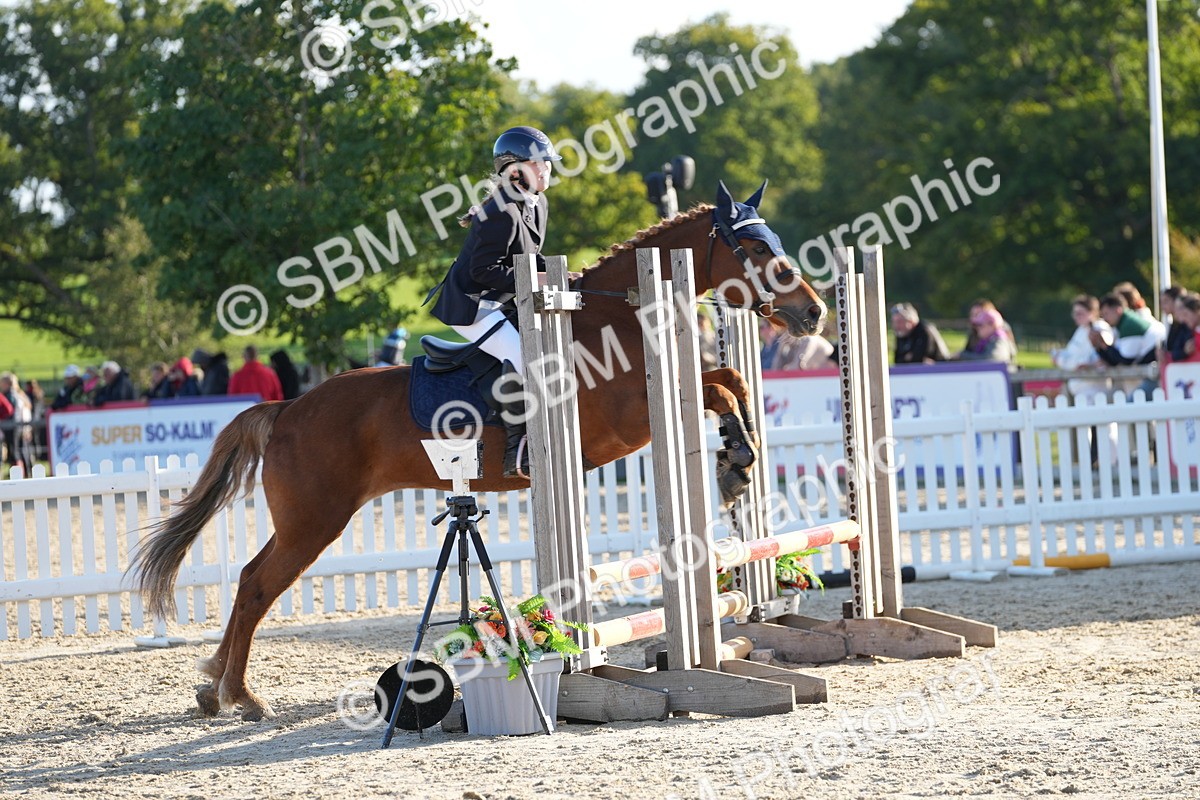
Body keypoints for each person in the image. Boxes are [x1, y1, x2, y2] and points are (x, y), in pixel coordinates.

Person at [425, 125, 560, 477]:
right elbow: (484, 271)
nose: (547, 168)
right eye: (540, 163)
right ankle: (519, 446)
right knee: (524, 354)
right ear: (515, 171)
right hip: (473, 306)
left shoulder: (537, 203)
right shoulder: (500, 211)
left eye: (547, 162)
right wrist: (534, 281)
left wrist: (566, 277)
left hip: (501, 300)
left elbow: (533, 255)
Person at [1052, 295, 1112, 402]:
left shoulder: (1100, 328)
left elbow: (1105, 354)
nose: (1076, 316)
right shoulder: (1080, 330)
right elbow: (1071, 356)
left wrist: (1089, 364)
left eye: (1080, 313)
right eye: (1074, 313)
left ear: (1092, 312)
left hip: (1095, 391)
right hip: (1080, 391)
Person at [0, 372, 35, 472]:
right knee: (19, 449)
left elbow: (10, 411)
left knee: (14, 451)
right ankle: (24, 471)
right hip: (18, 426)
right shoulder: (18, 394)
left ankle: (18, 472)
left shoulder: (10, 395)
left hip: (12, 426)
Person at [772, 334, 837, 371]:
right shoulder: (789, 340)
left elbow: (798, 365)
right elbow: (776, 365)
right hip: (812, 373)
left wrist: (784, 369)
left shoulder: (809, 339)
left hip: (828, 373)